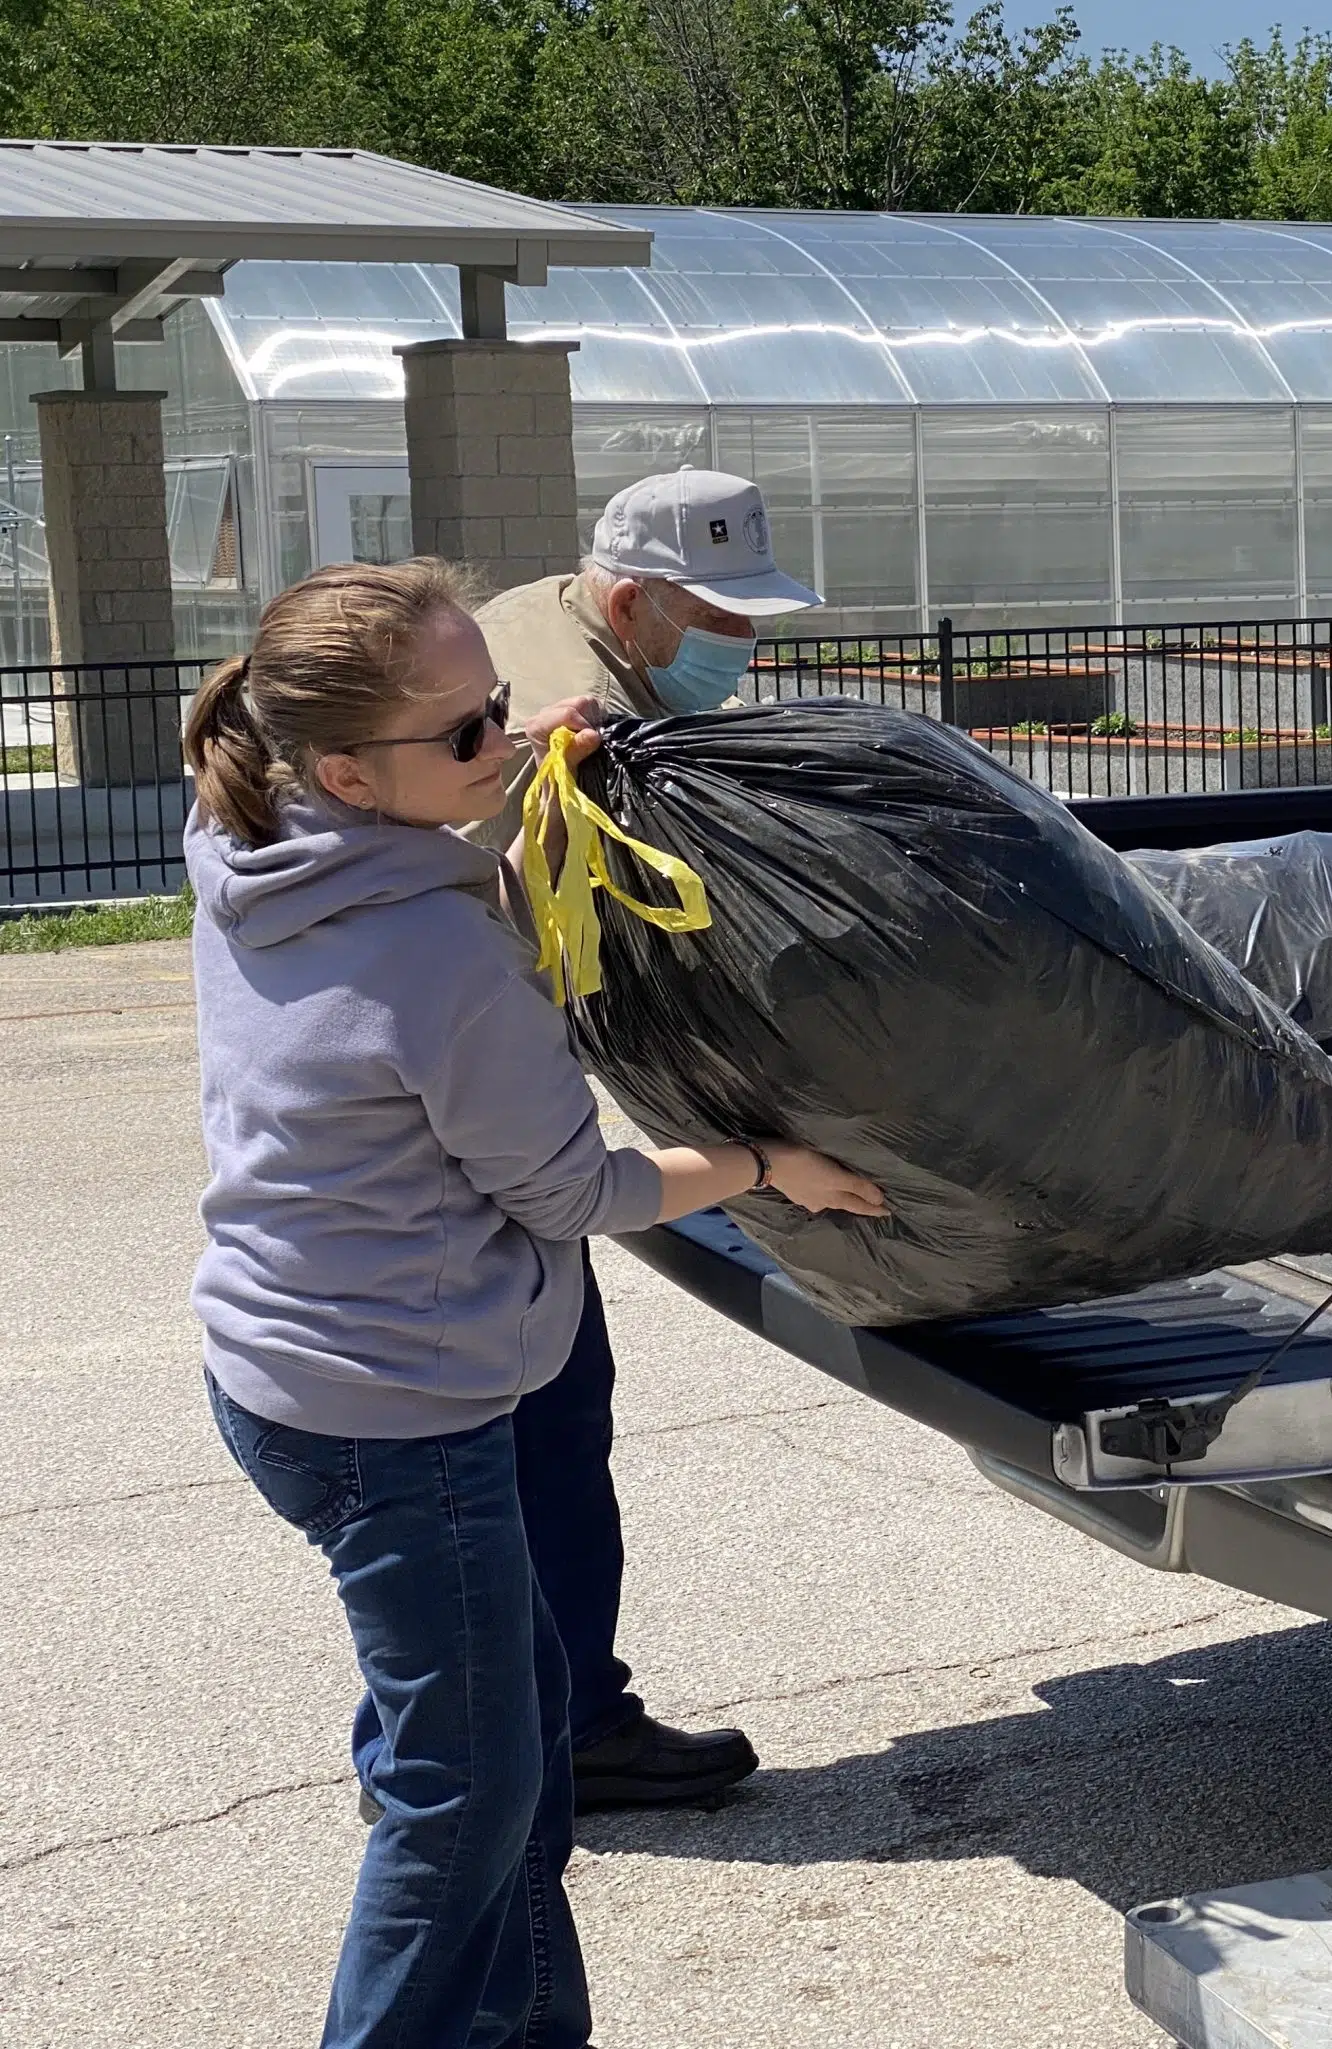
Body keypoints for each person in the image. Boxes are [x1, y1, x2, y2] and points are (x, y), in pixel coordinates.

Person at [184, 557, 884, 2047]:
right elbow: (572, 1197)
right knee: (471, 1799)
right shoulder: (435, 958)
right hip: (399, 1420)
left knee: (485, 1750)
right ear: (343, 771)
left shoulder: (249, 836)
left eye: (495, 706)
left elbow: (420, 850)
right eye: (463, 735)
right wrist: (770, 1164)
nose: (496, 744)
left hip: (277, 1365)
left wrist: (490, 771)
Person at [469, 470, 821, 1810]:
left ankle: (466, 1740)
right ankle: (557, 1736)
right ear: (629, 601)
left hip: (456, 1105)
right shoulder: (595, 724)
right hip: (479, 1121)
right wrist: (764, 1144)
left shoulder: (525, 625)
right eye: (721, 615)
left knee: (488, 1454)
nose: (749, 643)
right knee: (540, 1419)